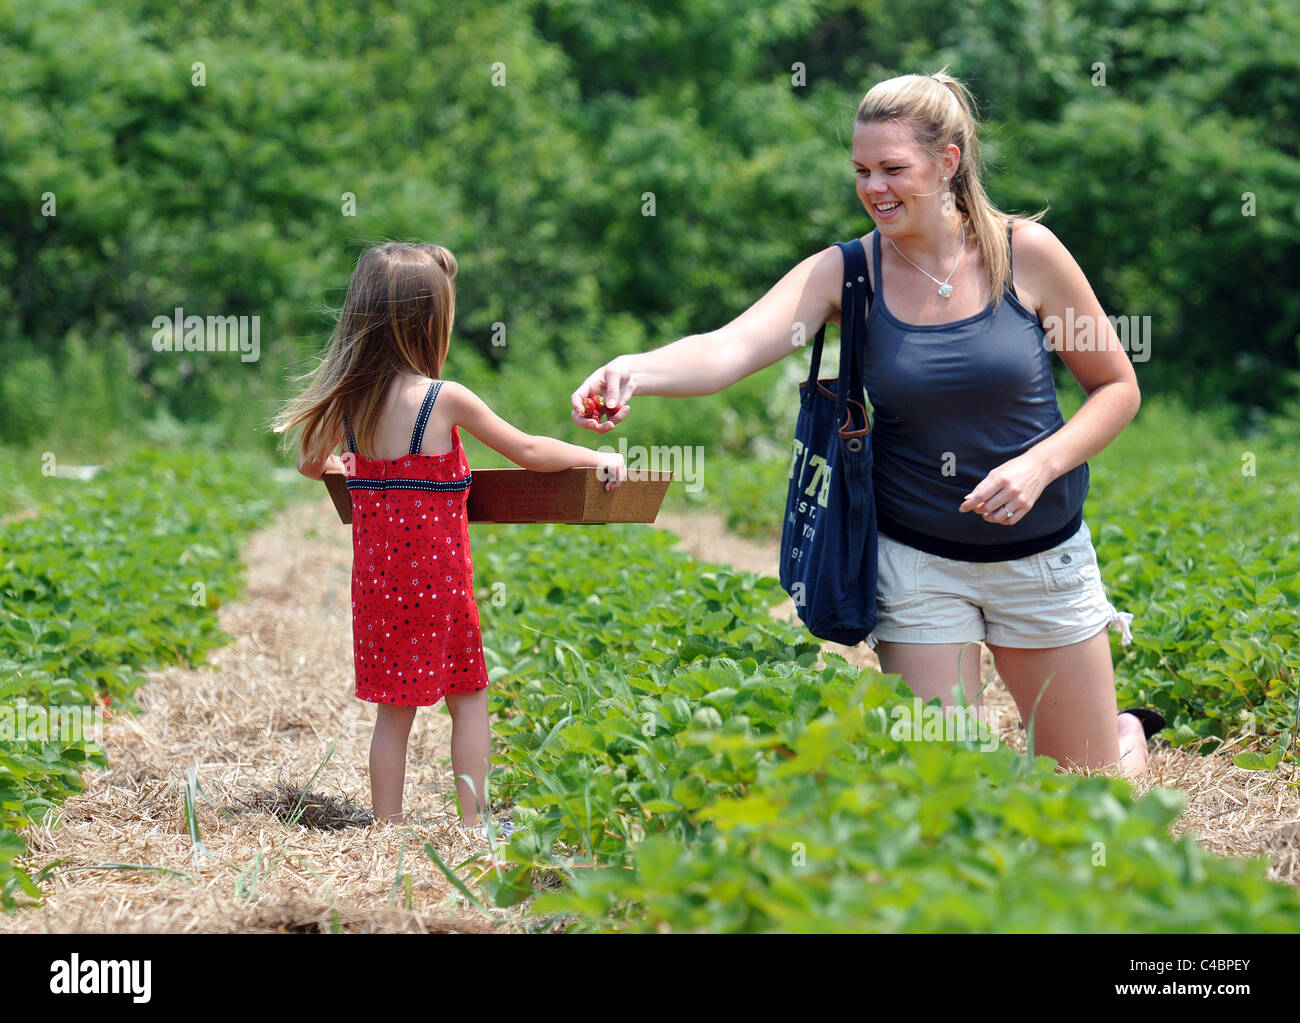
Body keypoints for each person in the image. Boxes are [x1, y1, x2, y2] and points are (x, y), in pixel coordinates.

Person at [570, 71, 1162, 779]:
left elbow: (1116, 388)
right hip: (916, 561)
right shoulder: (849, 273)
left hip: (1041, 554)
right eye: (861, 170)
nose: (874, 187)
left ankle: (1126, 734)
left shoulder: (1025, 253)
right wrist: (634, 368)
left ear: (947, 163)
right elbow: (731, 347)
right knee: (942, 786)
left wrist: (1040, 464)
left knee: (1089, 787)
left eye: (893, 169)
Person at [272, 241, 627, 828]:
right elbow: (530, 451)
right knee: (469, 701)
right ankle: (473, 822)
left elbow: (313, 464)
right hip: (439, 587)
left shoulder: (349, 406)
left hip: (378, 587)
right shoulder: (442, 400)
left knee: (394, 715)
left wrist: (348, 468)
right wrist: (596, 456)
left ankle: (385, 828)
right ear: (430, 323)